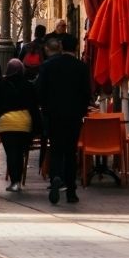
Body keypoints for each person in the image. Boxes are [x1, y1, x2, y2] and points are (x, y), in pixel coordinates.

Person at [36, 33, 92, 204]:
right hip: (73, 116)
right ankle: (71, 191)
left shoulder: (48, 66)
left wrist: (45, 109)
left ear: (60, 46)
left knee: (56, 149)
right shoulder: (81, 67)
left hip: (53, 115)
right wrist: (81, 111)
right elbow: (86, 93)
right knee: (70, 151)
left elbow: (40, 91)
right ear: (76, 48)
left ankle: (55, 178)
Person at [0, 58, 37, 192]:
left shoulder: (2, 85)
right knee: (19, 153)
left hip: (6, 124)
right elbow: (33, 106)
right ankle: (18, 180)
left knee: (11, 153)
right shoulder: (28, 85)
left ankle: (15, 182)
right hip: (24, 123)